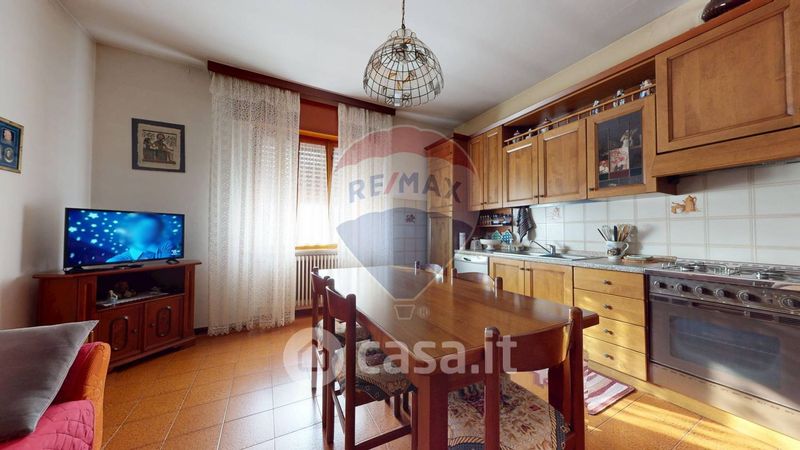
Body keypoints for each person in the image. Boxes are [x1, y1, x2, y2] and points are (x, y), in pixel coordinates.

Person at [107, 214, 175, 263]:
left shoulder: (167, 246)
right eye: (143, 228)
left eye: (153, 229)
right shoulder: (115, 261)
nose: (147, 233)